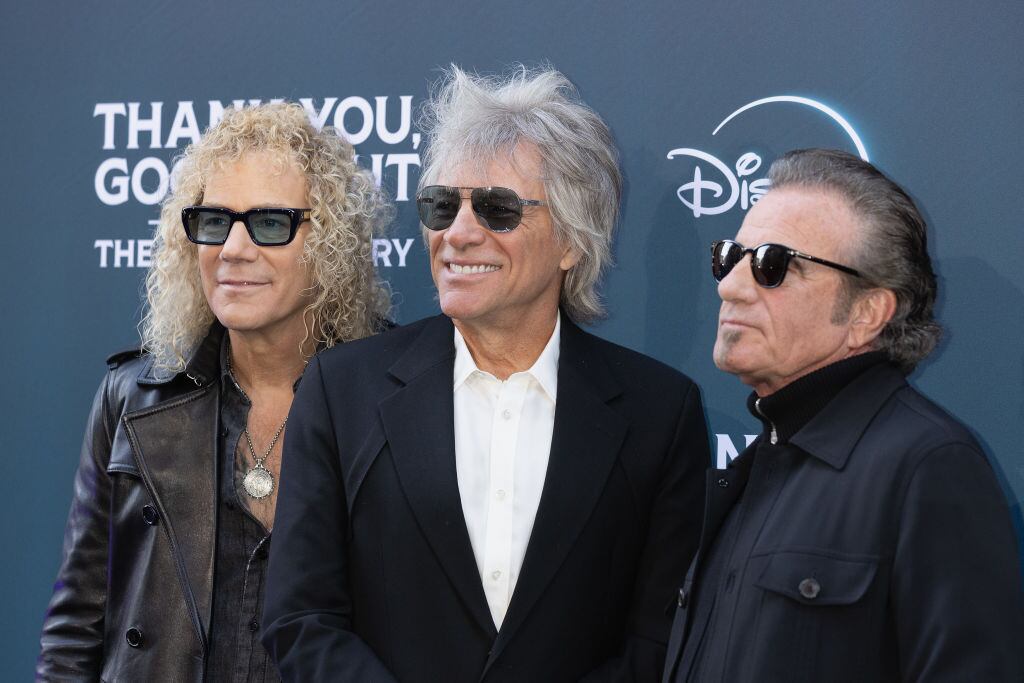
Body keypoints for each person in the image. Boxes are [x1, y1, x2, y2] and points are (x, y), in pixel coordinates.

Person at [262, 65, 710, 682]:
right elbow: (300, 618)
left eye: (498, 210)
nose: (458, 234)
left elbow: (661, 641)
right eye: (442, 206)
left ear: (572, 241)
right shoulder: (342, 392)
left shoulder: (659, 413)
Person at [37, 102, 391, 682]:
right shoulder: (131, 400)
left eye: (270, 223)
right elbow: (75, 630)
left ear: (330, 244)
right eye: (214, 221)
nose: (232, 249)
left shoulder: (397, 399)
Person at [662, 148, 1024, 682]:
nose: (729, 286)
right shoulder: (758, 464)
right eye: (729, 257)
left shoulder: (928, 465)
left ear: (866, 313)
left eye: (772, 265)